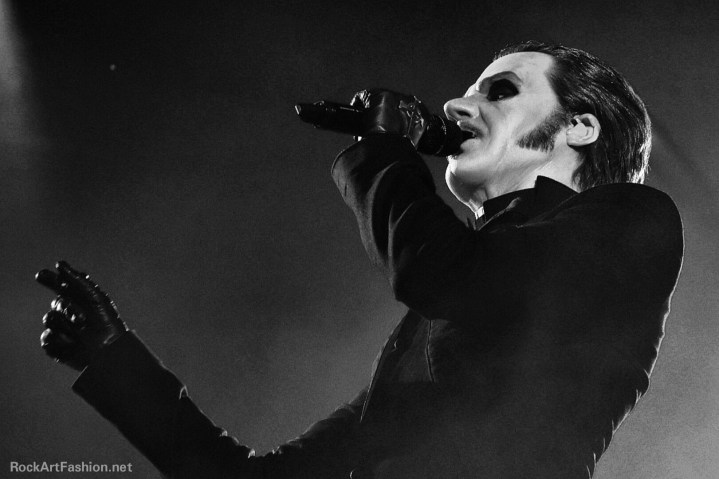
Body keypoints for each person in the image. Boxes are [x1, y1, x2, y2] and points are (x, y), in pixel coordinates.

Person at [36, 41, 684, 479]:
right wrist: (113, 356)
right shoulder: (427, 339)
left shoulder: (635, 219)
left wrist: (382, 149)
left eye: (501, 90)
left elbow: (444, 271)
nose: (456, 106)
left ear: (579, 127)